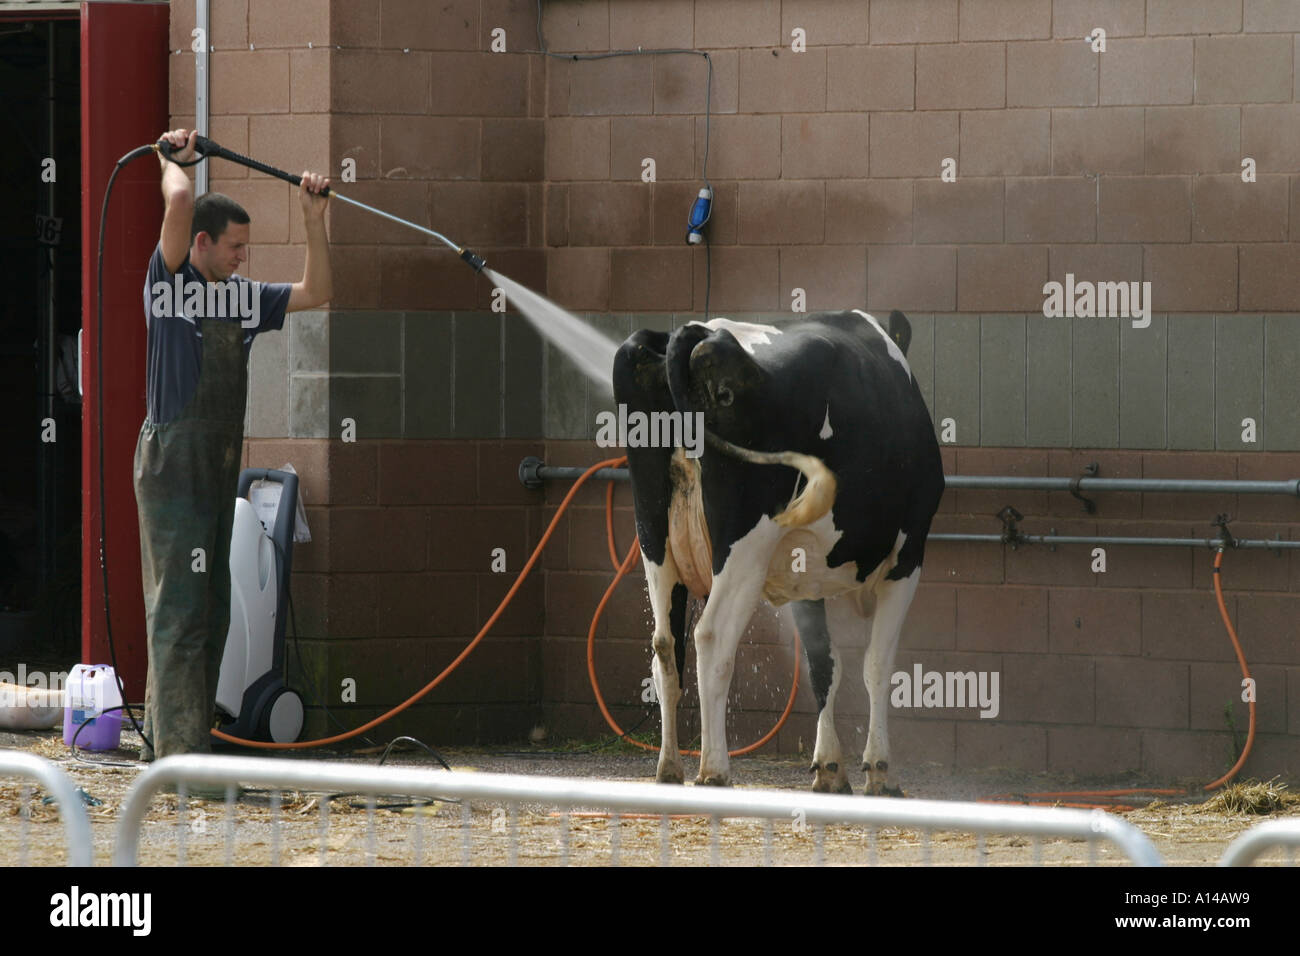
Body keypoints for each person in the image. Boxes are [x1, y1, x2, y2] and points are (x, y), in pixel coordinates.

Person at [135, 128, 331, 762]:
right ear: (201, 242)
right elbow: (178, 201)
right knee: (180, 612)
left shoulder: (243, 299)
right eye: (236, 247)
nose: (245, 258)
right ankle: (179, 760)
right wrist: (173, 161)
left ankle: (170, 744)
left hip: (217, 467)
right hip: (174, 468)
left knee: (210, 607)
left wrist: (312, 218)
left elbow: (316, 292)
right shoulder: (167, 287)